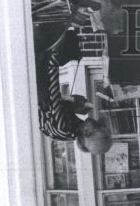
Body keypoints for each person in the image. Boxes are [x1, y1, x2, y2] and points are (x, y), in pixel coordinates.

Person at [36, 26, 113, 155]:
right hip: (40, 87)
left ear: (87, 134)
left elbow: (53, 92)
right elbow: (60, 101)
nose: (95, 120)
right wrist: (75, 103)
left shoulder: (63, 129)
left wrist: (54, 56)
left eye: (97, 126)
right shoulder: (71, 130)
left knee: (48, 32)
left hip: (37, 84)